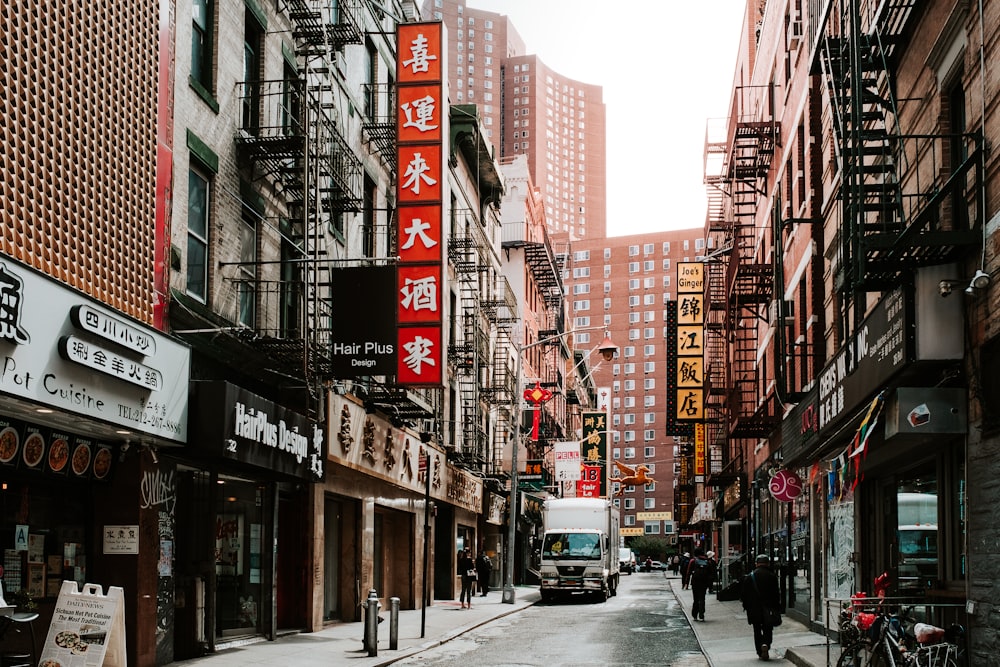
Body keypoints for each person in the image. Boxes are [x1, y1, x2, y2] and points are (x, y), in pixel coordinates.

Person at [740, 553, 782, 661]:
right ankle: (766, 644)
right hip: (769, 608)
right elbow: (776, 594)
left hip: (754, 609)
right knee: (768, 628)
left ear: (756, 564)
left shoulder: (750, 576)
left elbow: (744, 594)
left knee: (757, 629)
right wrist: (777, 607)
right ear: (767, 563)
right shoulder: (772, 576)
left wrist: (746, 606)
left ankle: (759, 650)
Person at [686, 548, 716, 621]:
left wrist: (686, 583)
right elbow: (711, 573)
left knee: (695, 599)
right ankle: (701, 614)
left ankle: (695, 615)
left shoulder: (693, 561)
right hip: (704, 583)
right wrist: (709, 584)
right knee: (702, 598)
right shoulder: (707, 561)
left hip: (695, 582)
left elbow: (688, 572)